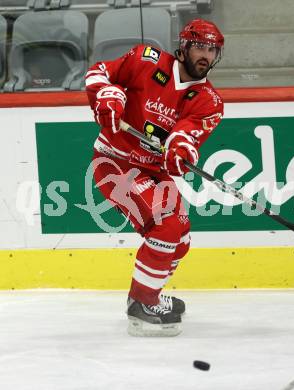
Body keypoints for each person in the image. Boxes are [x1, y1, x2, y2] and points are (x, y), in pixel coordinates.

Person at [85, 18, 224, 336]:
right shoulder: (145, 60)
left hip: (152, 170)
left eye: (212, 50)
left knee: (182, 237)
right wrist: (107, 95)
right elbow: (99, 72)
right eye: (200, 47)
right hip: (114, 162)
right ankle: (142, 302)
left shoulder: (210, 102)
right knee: (168, 225)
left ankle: (153, 294)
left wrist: (180, 151)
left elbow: (185, 138)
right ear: (185, 46)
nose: (206, 55)